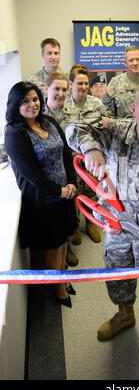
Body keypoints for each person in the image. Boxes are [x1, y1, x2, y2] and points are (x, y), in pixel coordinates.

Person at [66, 84, 139, 357]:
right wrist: (90, 149)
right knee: (117, 273)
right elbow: (74, 129)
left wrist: (133, 220)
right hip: (116, 227)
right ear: (133, 110)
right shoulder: (116, 129)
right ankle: (125, 314)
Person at [5, 82, 77, 308]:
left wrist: (72, 183)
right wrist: (58, 191)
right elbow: (30, 173)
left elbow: (66, 153)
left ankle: (63, 276)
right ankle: (57, 286)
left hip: (65, 193)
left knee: (64, 237)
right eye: (25, 101)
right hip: (43, 199)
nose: (32, 104)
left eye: (35, 99)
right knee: (52, 244)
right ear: (16, 104)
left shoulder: (49, 121)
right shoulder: (14, 133)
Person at [66, 66, 110, 244]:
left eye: (85, 83)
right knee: (74, 192)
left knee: (93, 191)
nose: (83, 87)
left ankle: (91, 224)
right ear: (71, 84)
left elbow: (107, 129)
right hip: (71, 159)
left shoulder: (96, 104)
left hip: (92, 159)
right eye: (79, 83)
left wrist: (105, 154)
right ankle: (75, 226)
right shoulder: (64, 105)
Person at [44, 72, 80, 267]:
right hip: (49, 172)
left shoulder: (73, 113)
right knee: (54, 217)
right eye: (56, 88)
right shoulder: (37, 115)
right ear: (46, 89)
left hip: (69, 167)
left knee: (69, 209)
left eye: (64, 89)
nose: (60, 93)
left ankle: (67, 244)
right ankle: (60, 249)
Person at [101, 46, 139, 118]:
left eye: (138, 59)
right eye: (131, 60)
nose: (135, 63)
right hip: (122, 128)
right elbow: (107, 111)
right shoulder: (115, 83)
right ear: (125, 63)